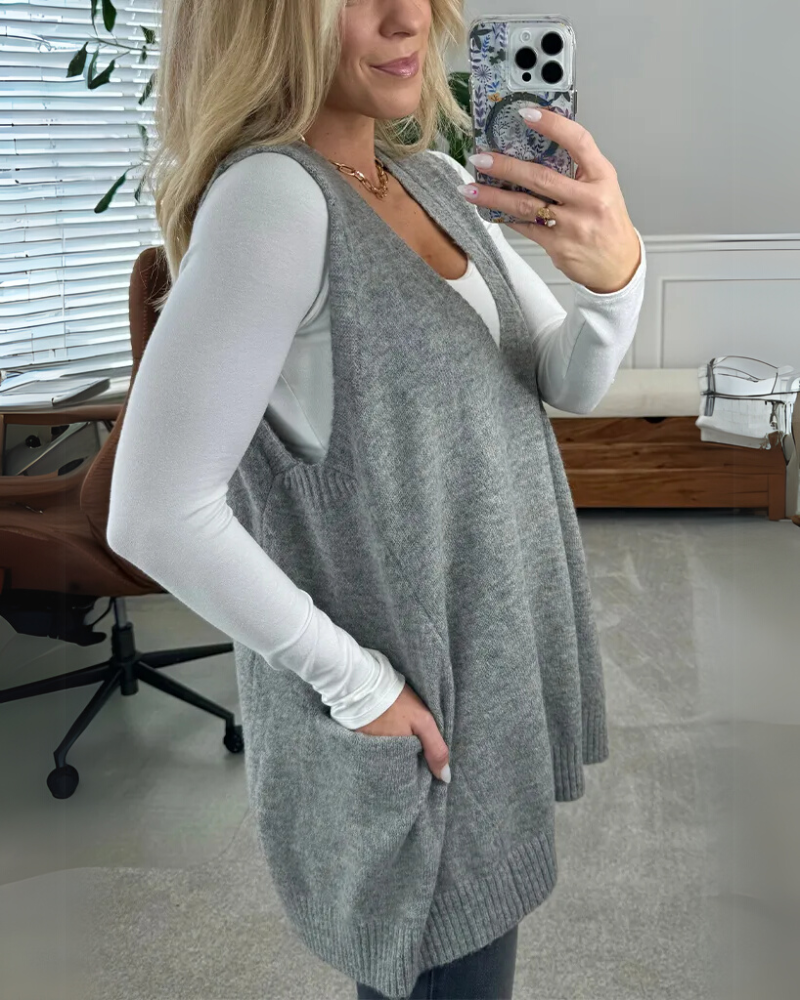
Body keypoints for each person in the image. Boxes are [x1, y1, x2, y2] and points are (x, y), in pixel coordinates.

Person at [107, 2, 645, 998]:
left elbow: (561, 377)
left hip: (485, 672)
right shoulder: (274, 198)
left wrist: (613, 283)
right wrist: (360, 690)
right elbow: (153, 510)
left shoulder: (428, 177)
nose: (408, 18)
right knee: (445, 956)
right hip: (419, 700)